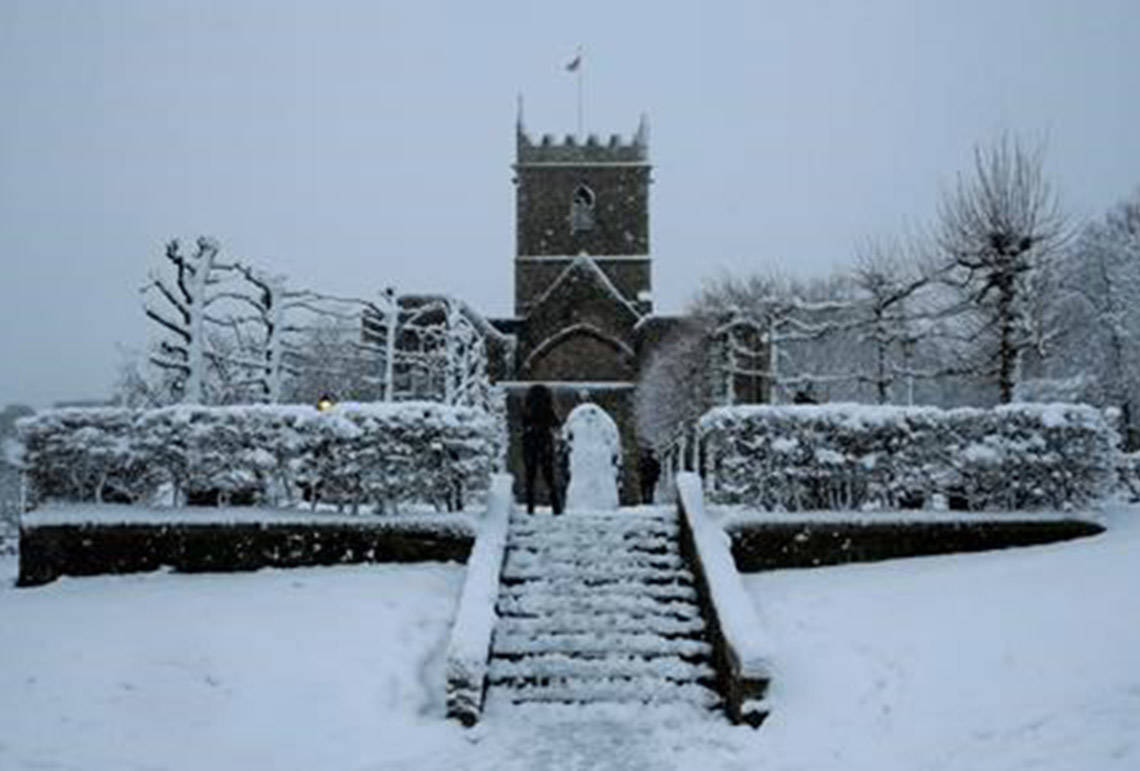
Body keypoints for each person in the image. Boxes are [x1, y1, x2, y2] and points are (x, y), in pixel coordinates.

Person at [522, 383, 562, 515]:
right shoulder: (547, 410)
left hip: (530, 443)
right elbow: (556, 423)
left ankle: (530, 507)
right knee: (549, 476)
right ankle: (556, 506)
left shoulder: (528, 411)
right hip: (544, 442)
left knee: (530, 477)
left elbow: (523, 424)